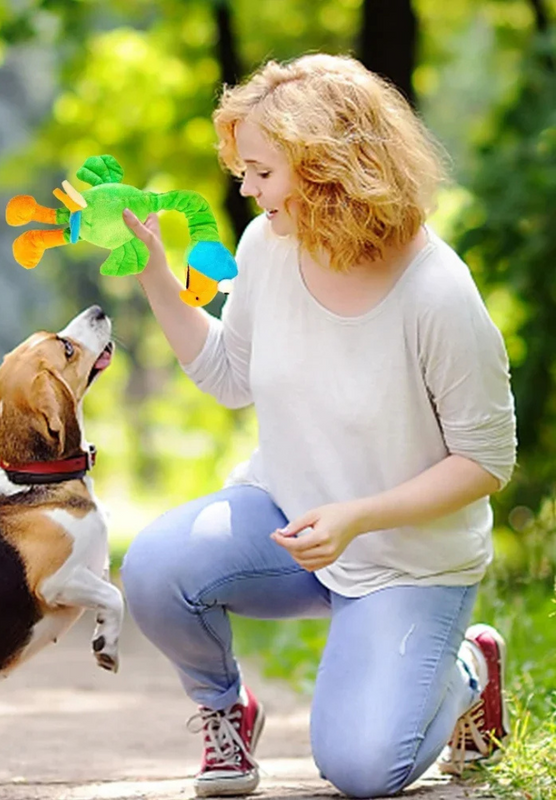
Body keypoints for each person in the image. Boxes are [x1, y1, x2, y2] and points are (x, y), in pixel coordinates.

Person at [119, 53, 516, 799]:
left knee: (364, 771)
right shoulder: (268, 248)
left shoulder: (437, 292)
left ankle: (467, 670)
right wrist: (158, 281)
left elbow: (487, 461)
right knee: (154, 569)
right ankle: (225, 714)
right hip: (288, 520)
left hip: (406, 557)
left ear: (327, 167)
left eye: (261, 171)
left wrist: (360, 516)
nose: (245, 187)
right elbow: (230, 376)